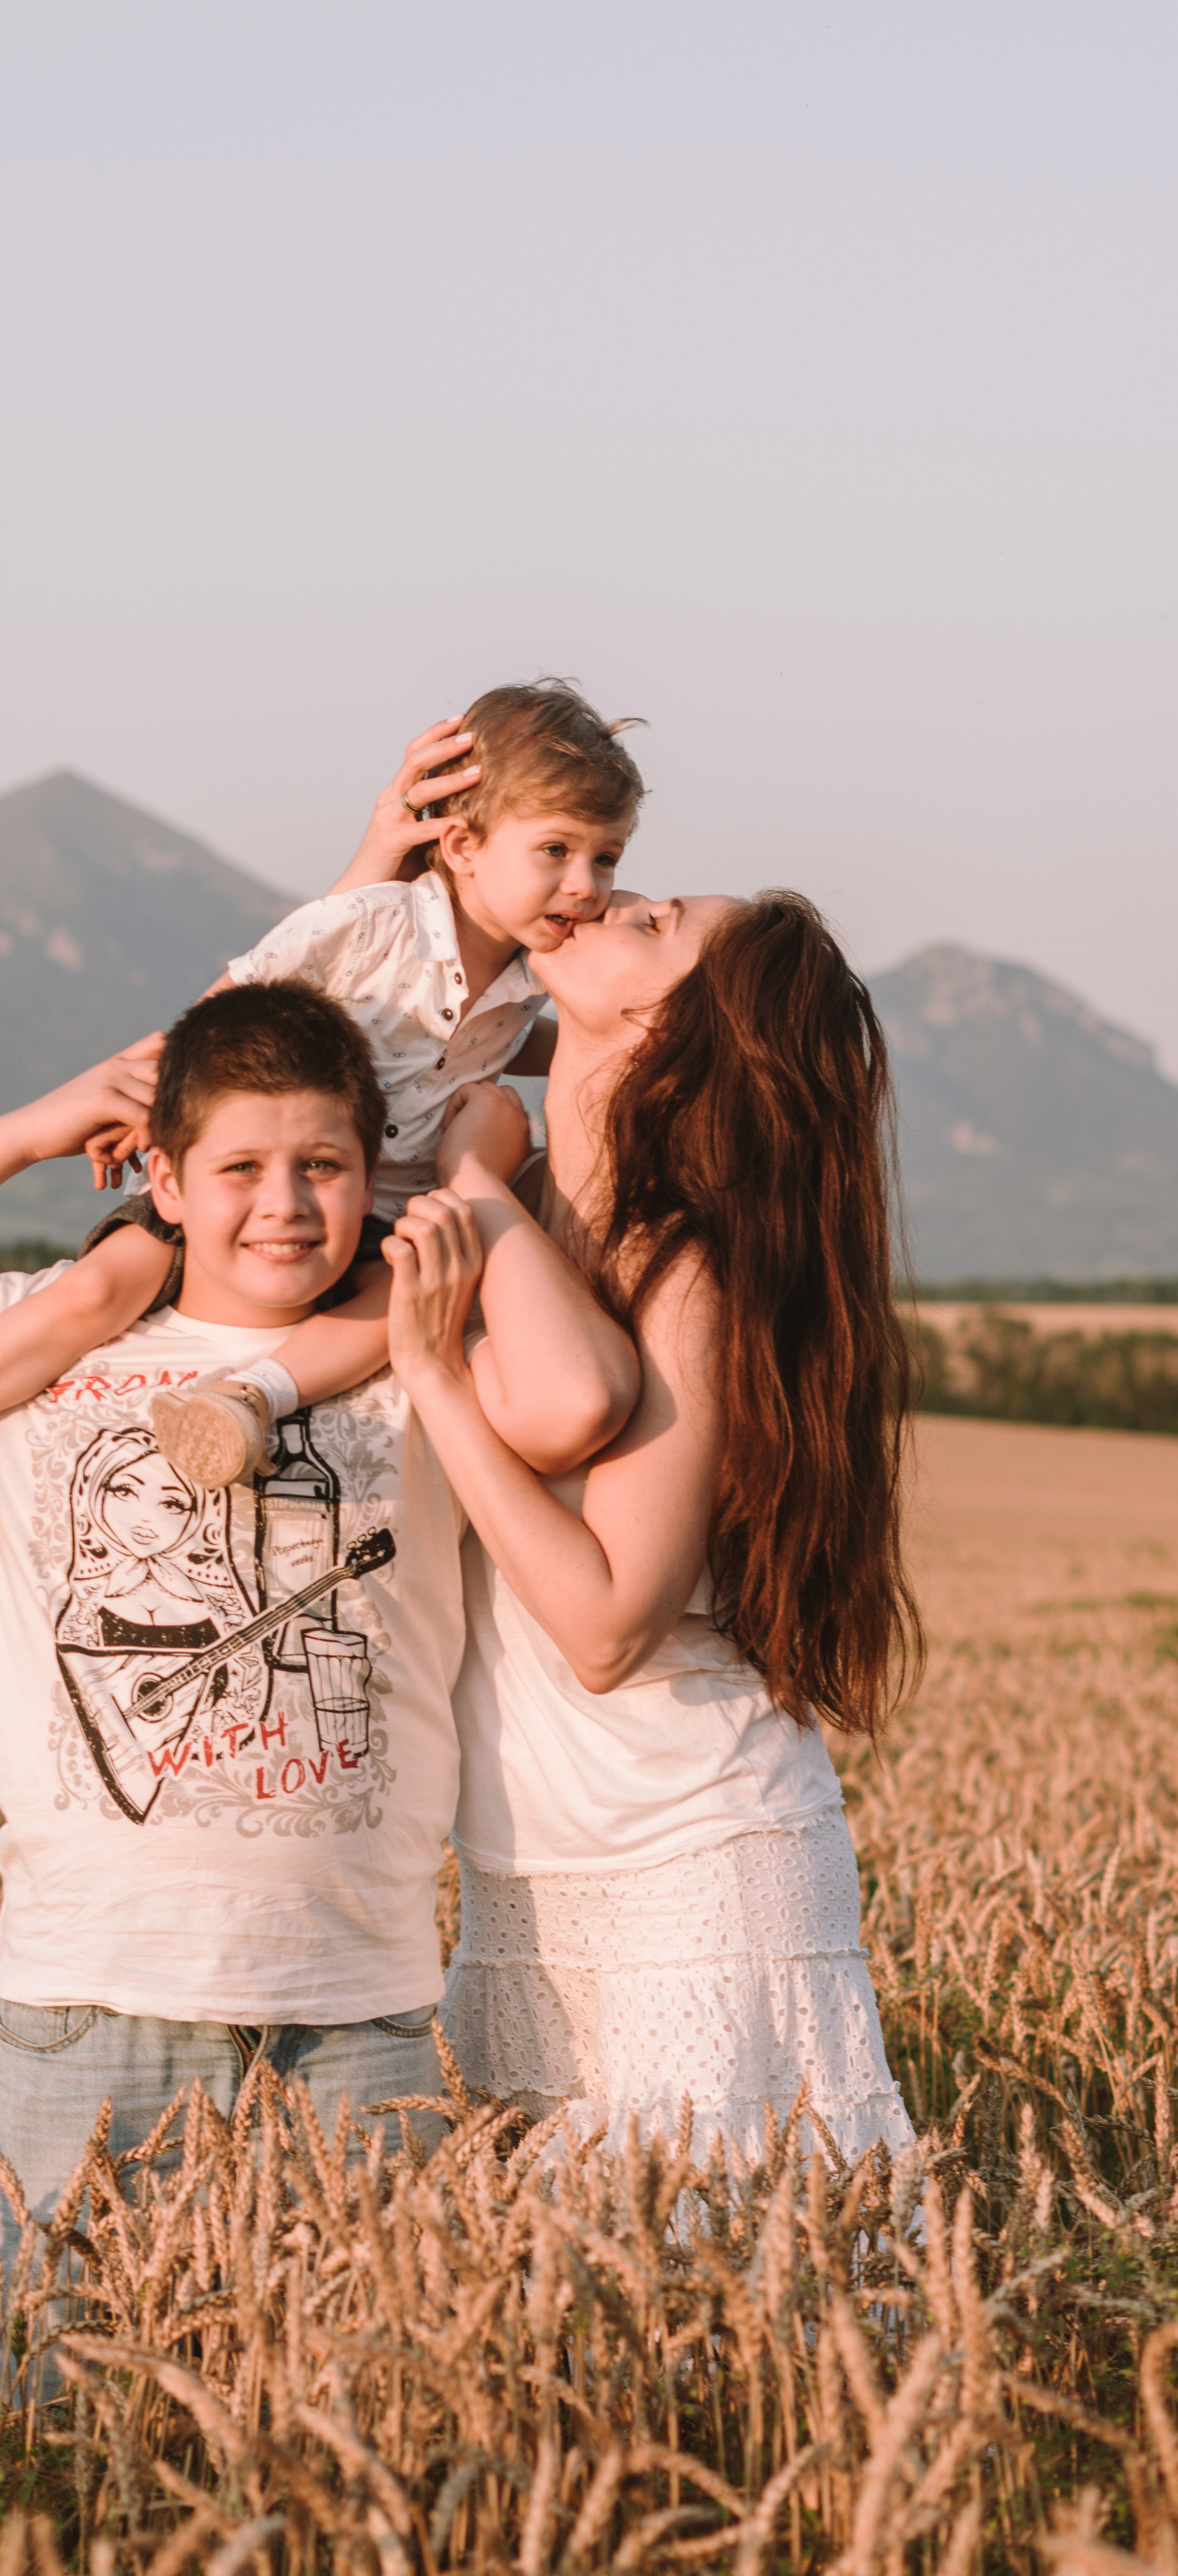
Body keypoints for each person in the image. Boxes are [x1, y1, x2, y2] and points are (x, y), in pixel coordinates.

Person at [0, 979, 635, 2331]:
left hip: (363, 2008)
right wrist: (30, 1129)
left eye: (324, 1166)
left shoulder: (422, 1350)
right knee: (57, 2416)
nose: (286, 1205)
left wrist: (467, 1186)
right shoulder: (48, 1337)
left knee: (366, 2411)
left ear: (370, 1175)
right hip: (94, 1995)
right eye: (240, 1169)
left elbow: (577, 1397)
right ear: (163, 1176)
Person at [0, 679, 645, 1504]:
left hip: (386, 1220)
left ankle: (247, 1401)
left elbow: (506, 1043)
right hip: (262, 1181)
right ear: (461, 847)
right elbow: (231, 1002)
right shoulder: (373, 921)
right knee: (95, 1291)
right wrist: (151, 1105)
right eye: (556, 851)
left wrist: (615, 1045)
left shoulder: (532, 979)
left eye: (605, 857)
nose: (586, 885)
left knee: (402, 1307)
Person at [383, 887, 922, 2165]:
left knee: (720, 2281)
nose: (611, 896)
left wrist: (435, 1369)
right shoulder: (533, 1207)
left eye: (656, 920)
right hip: (532, 1878)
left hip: (692, 1870)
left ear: (673, 1025)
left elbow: (608, 1627)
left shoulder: (685, 1266)